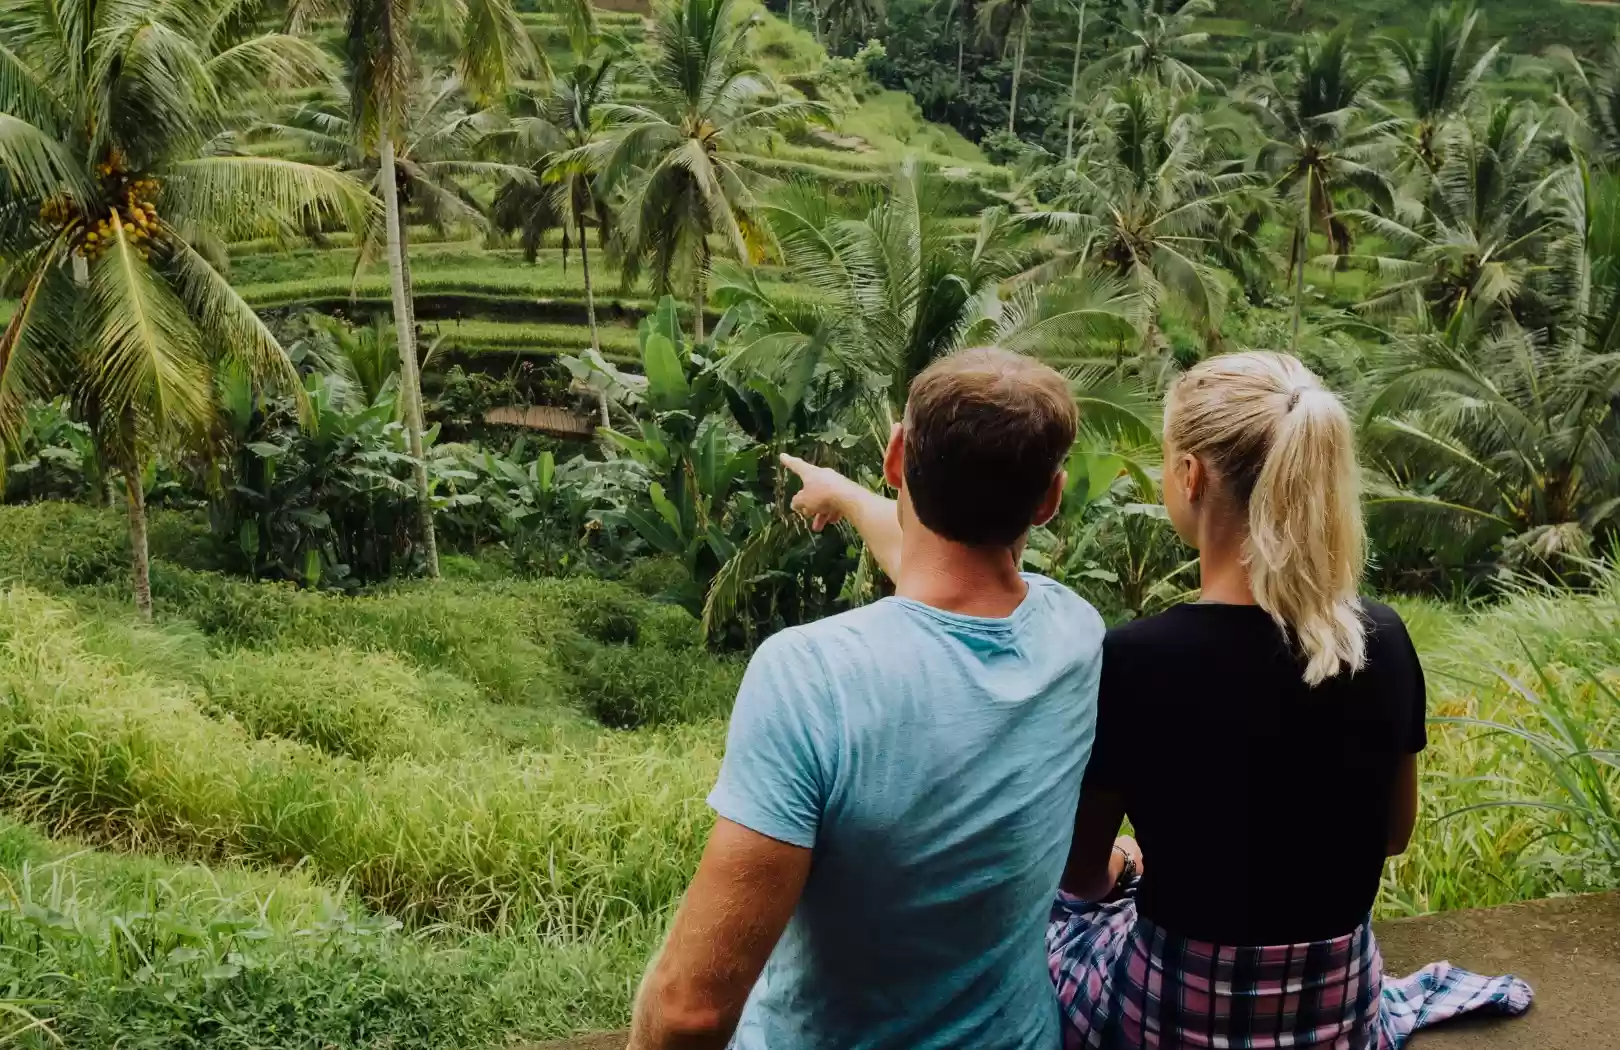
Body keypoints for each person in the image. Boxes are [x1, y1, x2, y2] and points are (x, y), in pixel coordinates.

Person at [802, 350, 1531, 1049]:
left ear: (1188, 475)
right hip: (1335, 1008)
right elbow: (1393, 832)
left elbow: (1081, 875)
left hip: (1180, 1014)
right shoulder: (1381, 638)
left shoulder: (1137, 659)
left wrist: (1131, 863)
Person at [626, 348, 1122, 1050]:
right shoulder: (1075, 633)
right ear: (1048, 500)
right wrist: (846, 495)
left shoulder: (811, 677)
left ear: (896, 457)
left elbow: (692, 1012)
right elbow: (950, 573)